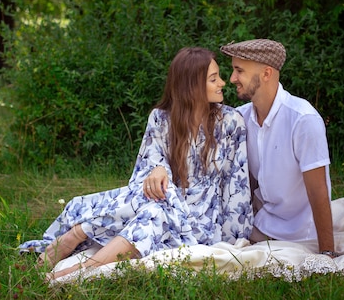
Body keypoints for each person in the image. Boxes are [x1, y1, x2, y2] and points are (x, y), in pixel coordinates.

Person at [19, 47, 253, 280]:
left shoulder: (231, 122)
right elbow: (144, 176)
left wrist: (233, 238)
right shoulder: (161, 119)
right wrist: (159, 167)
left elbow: (237, 185)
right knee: (154, 206)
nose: (223, 82)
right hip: (164, 203)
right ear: (190, 85)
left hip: (201, 220)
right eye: (214, 79)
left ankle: (77, 246)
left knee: (155, 207)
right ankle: (79, 258)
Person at [220, 39, 337, 257]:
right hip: (262, 225)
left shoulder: (303, 119)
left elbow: (318, 190)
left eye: (239, 71)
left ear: (266, 74)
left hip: (302, 233)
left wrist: (327, 251)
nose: (232, 79)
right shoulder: (241, 117)